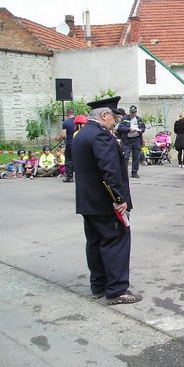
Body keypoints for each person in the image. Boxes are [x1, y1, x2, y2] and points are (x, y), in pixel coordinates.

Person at [72, 96, 141, 305]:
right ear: (104, 115)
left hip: (88, 202)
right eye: (113, 116)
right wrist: (120, 199)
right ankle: (117, 289)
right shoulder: (101, 136)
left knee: (95, 242)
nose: (115, 120)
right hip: (105, 202)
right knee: (116, 241)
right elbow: (109, 171)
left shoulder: (81, 134)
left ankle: (99, 285)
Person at [118, 105, 146, 178]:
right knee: (125, 157)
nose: (132, 114)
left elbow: (143, 127)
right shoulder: (125, 118)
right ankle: (124, 172)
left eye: (134, 112)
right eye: (131, 112)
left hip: (136, 140)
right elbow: (120, 127)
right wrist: (129, 129)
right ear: (129, 112)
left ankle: (134, 172)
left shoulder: (138, 119)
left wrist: (141, 130)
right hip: (127, 140)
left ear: (136, 112)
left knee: (136, 157)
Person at [55, 108, 76, 182]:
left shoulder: (66, 123)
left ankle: (69, 177)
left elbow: (63, 135)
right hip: (79, 143)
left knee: (69, 160)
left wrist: (58, 138)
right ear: (73, 113)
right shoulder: (78, 121)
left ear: (67, 114)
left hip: (70, 143)